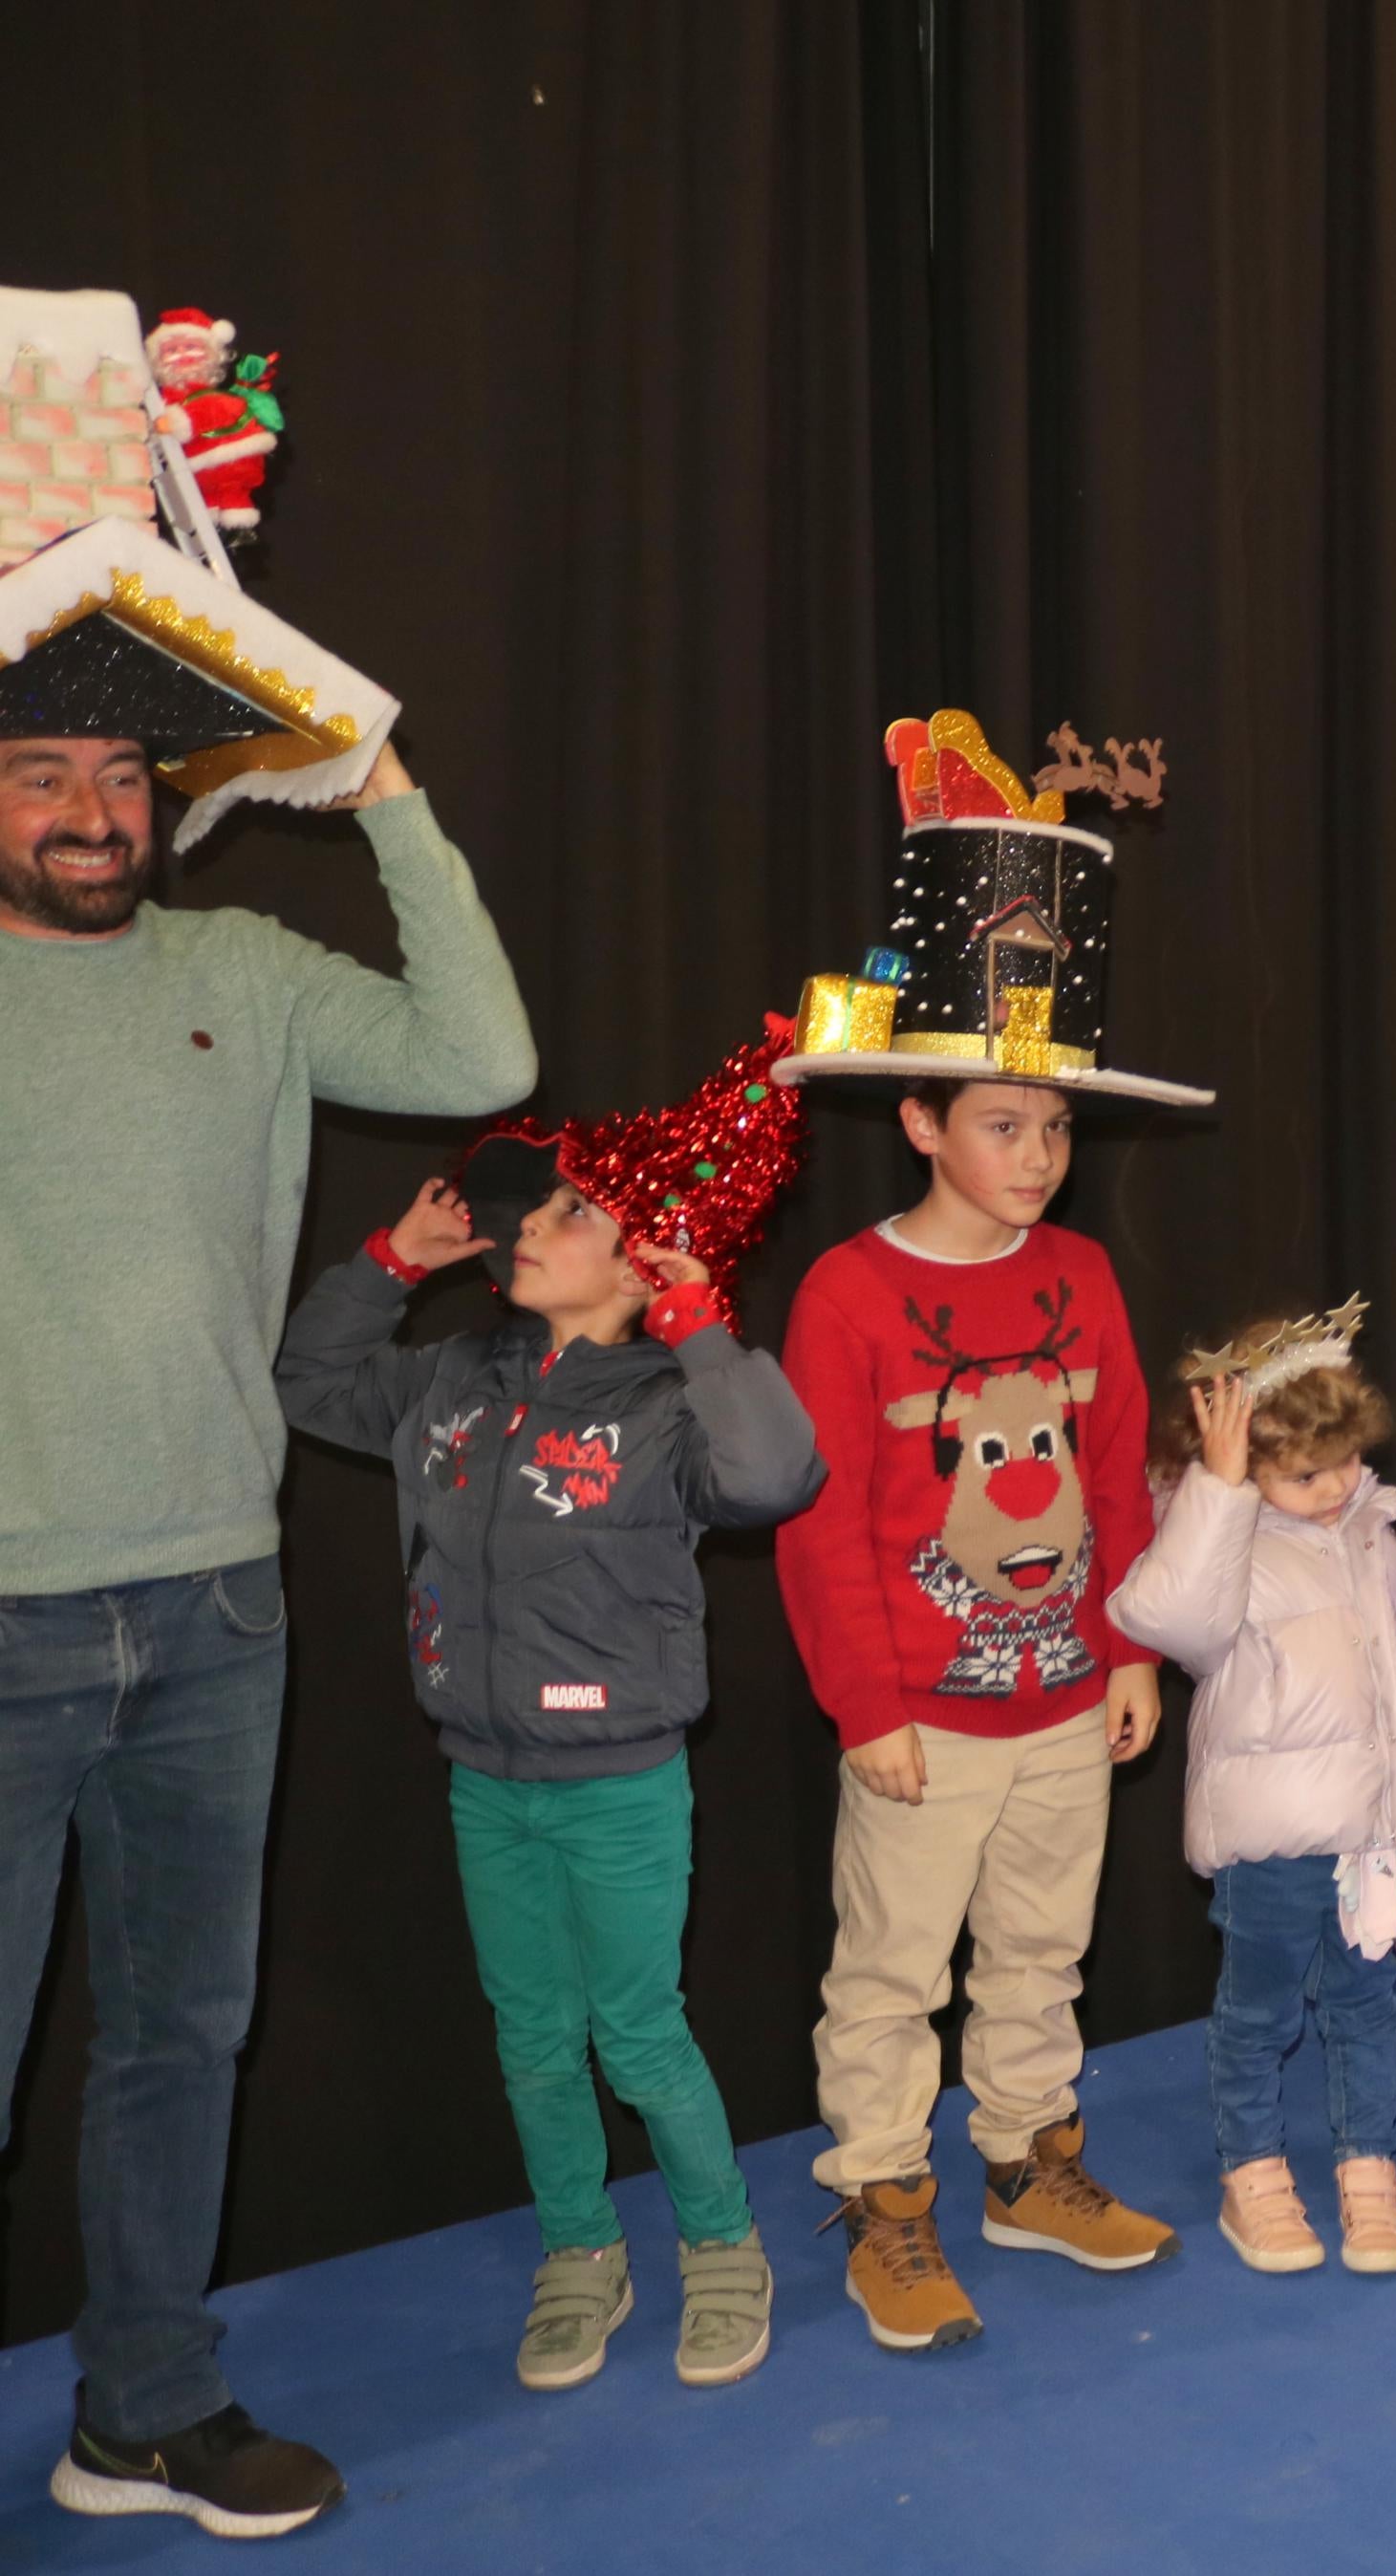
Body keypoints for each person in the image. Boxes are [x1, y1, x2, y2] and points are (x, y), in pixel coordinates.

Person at [3, 505, 534, 2537]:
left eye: (120, 772)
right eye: (39, 772)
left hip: (216, 1603)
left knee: (179, 2039)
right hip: (6, 1612)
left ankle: (140, 2403)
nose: (85, 808)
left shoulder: (247, 966)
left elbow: (484, 1055)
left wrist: (379, 781)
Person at [272, 1029, 821, 2392]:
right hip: (484, 1772)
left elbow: (775, 1474)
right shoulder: (456, 1379)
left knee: (638, 2027)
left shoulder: (669, 1401)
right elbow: (310, 1380)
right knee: (531, 2036)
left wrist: (704, 1326)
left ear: (642, 1263)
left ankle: (718, 2247)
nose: (531, 1226)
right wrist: (395, 1260)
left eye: (575, 1211)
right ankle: (579, 2249)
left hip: (620, 1778)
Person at [769, 709, 1213, 2350]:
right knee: (893, 1972)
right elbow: (819, 1525)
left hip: (1060, 1698)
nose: (1036, 1158)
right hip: (922, 1717)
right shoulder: (849, 1293)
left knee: (1042, 1951)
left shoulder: (1080, 1277)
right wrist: (869, 1704)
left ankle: (1030, 2169)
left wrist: (1127, 1654)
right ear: (919, 1122)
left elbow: (1112, 1489)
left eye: (1056, 1128)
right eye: (1002, 1126)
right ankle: (886, 2203)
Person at [1110, 1297, 1396, 2278]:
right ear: (1246, 1467)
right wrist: (1218, 1492)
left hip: (1370, 1841)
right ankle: (1253, 2170)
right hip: (1269, 1846)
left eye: (1344, 1460)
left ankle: (1367, 2167)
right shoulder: (1220, 1551)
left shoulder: (1376, 1543)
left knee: (1365, 2005)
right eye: (1303, 1473)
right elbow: (1169, 1617)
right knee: (1258, 2012)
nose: (1335, 1485)